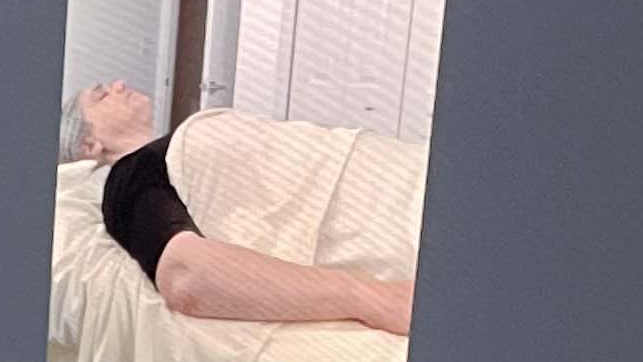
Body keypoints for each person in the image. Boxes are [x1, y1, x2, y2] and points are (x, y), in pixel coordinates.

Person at [62, 82, 414, 337]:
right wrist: (371, 299)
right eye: (102, 94)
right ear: (89, 145)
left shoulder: (175, 151)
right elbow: (187, 274)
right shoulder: (129, 177)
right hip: (397, 225)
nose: (120, 85)